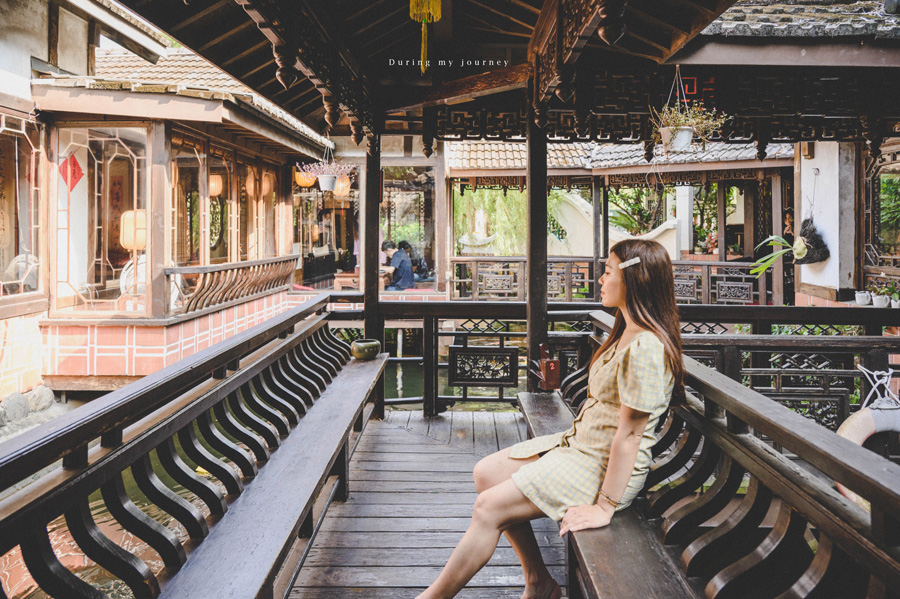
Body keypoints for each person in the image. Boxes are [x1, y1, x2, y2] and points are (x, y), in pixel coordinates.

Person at [417, 239, 685, 599]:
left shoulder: (647, 348)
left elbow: (632, 435)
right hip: (581, 448)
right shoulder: (625, 332)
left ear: (635, 279)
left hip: (603, 467)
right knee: (486, 473)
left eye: (607, 272)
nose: (600, 280)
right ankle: (539, 581)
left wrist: (604, 507)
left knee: (488, 508)